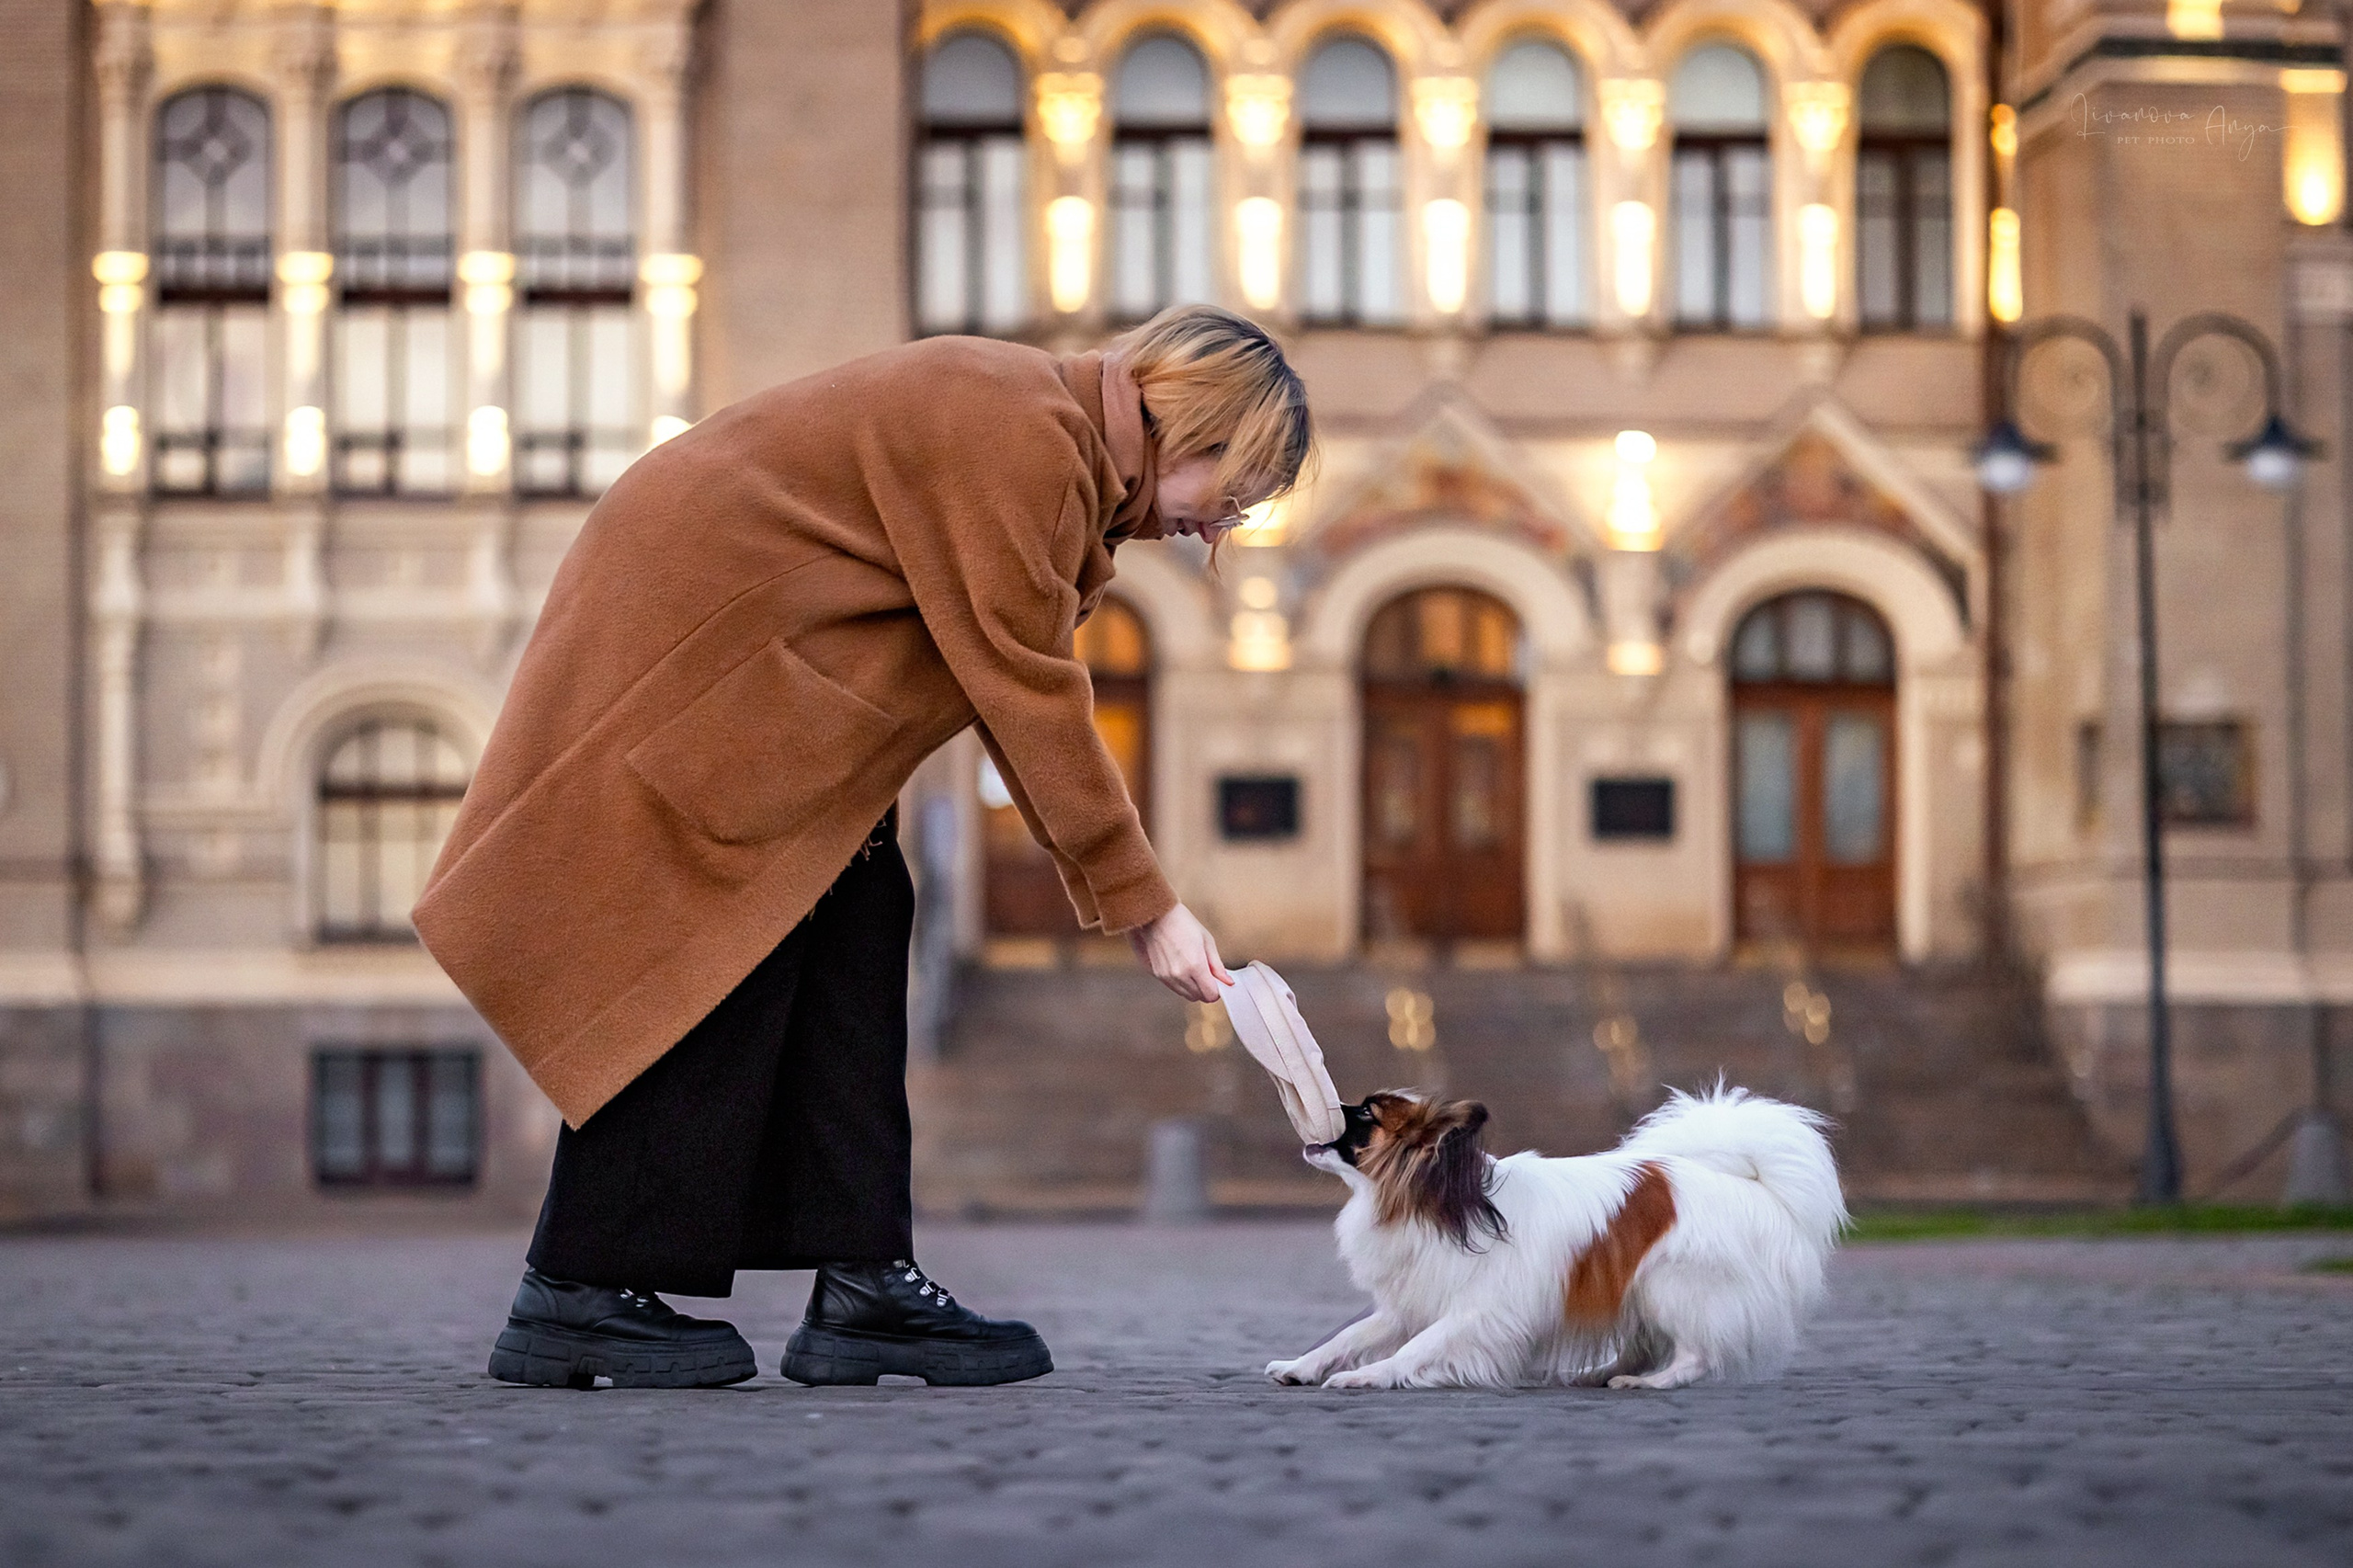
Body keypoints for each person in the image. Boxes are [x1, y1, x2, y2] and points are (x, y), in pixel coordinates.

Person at [411, 305, 1314, 1389]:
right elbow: (1022, 685)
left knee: (856, 913)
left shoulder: (1048, 436)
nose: (1220, 531)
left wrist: (1122, 893)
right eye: (1234, 498)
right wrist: (1146, 904)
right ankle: (578, 1290)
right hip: (720, 674)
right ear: (1197, 432)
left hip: (766, 683)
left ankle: (864, 1283)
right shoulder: (1022, 428)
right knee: (719, 954)